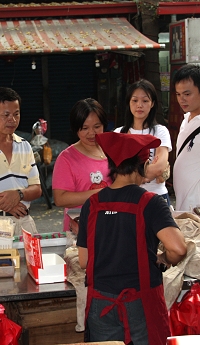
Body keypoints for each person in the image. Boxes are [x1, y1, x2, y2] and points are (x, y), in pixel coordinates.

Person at [77, 131, 187, 345]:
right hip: (141, 304)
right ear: (143, 164)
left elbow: (84, 261)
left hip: (101, 304)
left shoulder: (92, 204)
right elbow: (179, 248)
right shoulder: (150, 203)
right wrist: (165, 258)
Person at [52, 98, 112, 234]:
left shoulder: (113, 150)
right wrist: (100, 193)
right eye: (85, 128)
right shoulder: (66, 158)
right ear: (76, 128)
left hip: (111, 225)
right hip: (79, 229)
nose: (92, 133)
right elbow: (60, 199)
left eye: (97, 127)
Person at [114, 79, 171, 205]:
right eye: (135, 100)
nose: (139, 105)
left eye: (145, 101)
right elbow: (114, 172)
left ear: (152, 104)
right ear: (128, 103)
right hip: (127, 198)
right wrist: (146, 172)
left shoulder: (160, 132)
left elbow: (159, 167)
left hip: (156, 197)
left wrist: (129, 173)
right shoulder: (118, 133)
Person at [0, 87, 42, 235]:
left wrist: (19, 194)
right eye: (6, 115)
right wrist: (5, 204)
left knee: (33, 259)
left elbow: (37, 189)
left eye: (16, 114)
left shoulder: (24, 146)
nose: (12, 120)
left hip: (25, 223)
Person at [173, 63, 200, 211]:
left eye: (187, 94)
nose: (181, 99)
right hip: (183, 206)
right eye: (178, 94)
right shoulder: (186, 120)